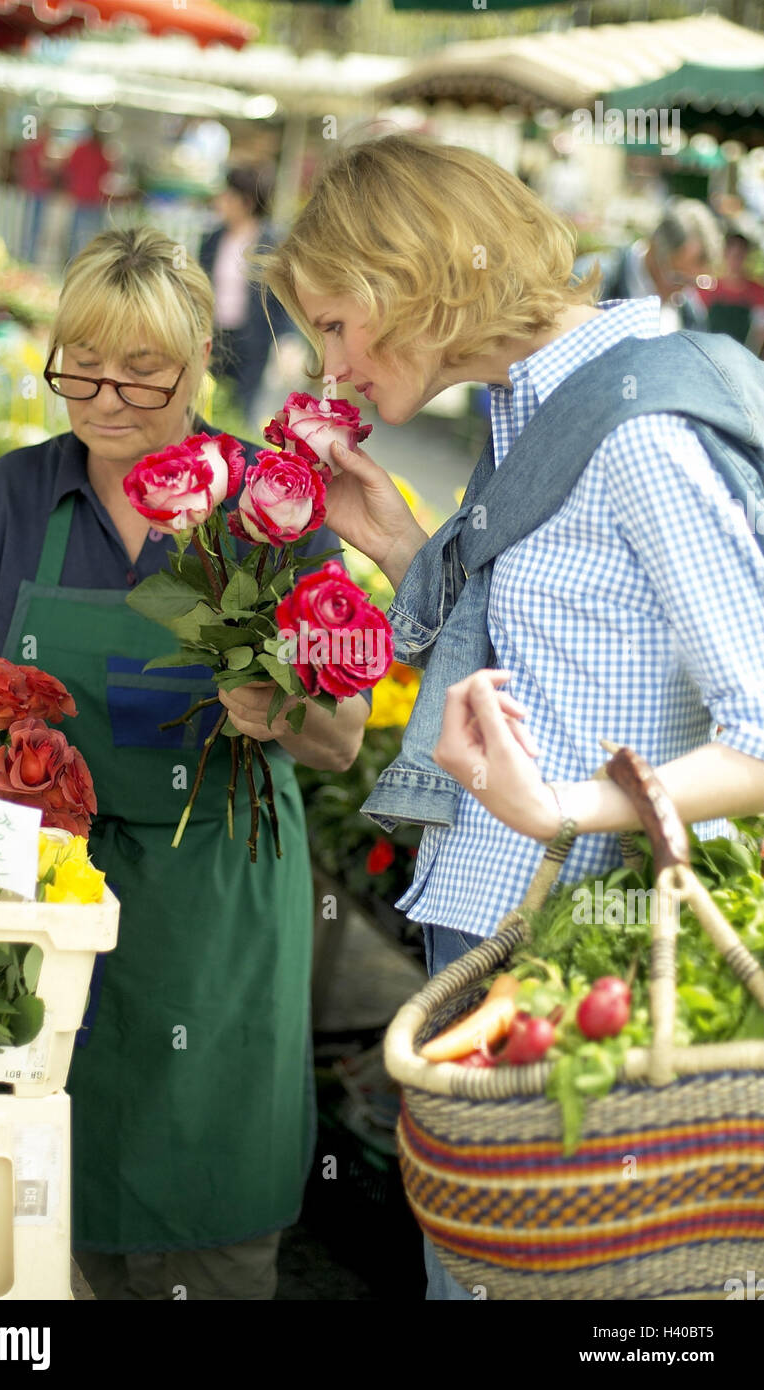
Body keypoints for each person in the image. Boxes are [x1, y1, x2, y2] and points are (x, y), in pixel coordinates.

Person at [257, 133, 764, 1299]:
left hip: (580, 970)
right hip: (508, 951)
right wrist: (396, 543)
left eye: (335, 325)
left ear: (416, 279)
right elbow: (559, 628)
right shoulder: (540, 405)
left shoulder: (638, 424)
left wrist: (563, 804)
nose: (326, 366)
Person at [0, 225, 370, 1300]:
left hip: (213, 904)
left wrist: (277, 707)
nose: (107, 400)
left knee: (204, 1216)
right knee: (16, 1227)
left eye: (143, 372)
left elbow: (341, 737)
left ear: (202, 354)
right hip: (41, 896)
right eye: (83, 370)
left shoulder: (270, 506)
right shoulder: (20, 494)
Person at [199, 166, 291, 425]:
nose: (221, 202)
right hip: (216, 335)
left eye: (228, 196)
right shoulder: (214, 238)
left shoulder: (271, 243)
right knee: (209, 404)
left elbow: (284, 297)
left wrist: (285, 340)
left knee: (241, 410)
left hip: (252, 341)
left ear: (246, 203)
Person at [573, 196, 723, 332]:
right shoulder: (591, 282)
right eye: (677, 278)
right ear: (654, 248)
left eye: (694, 281)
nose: (684, 290)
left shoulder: (690, 312)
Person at [697, 227, 764, 356]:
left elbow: (759, 336)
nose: (735, 261)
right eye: (731, 254)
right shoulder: (707, 289)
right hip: (710, 357)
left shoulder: (759, 293)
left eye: (739, 255)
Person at [64, 127, 113, 263]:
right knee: (93, 232)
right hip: (93, 197)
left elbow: (69, 168)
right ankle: (87, 259)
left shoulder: (81, 149)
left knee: (76, 232)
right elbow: (107, 170)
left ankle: (74, 260)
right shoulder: (100, 152)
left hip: (81, 196)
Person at [16, 121, 54, 264]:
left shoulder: (31, 147)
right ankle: (29, 255)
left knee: (30, 223)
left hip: (31, 188)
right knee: (35, 225)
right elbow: (44, 166)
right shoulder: (41, 148)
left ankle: (27, 253)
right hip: (38, 189)